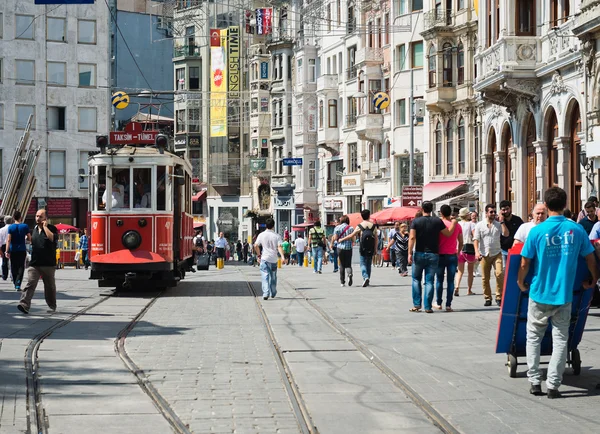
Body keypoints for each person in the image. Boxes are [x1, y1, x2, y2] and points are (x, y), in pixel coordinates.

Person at [518, 187, 598, 398]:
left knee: (533, 337)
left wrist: (520, 281)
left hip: (539, 293)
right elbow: (590, 258)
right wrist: (594, 278)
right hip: (563, 295)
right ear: (565, 204)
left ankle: (535, 381)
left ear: (546, 204)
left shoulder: (536, 231)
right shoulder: (576, 230)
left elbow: (525, 262)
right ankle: (554, 385)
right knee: (561, 338)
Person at [406, 202, 458, 313]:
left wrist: (409, 253)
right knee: (429, 281)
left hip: (419, 253)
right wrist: (453, 223)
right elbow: (448, 234)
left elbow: (411, 238)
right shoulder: (437, 221)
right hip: (434, 254)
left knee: (416, 279)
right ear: (432, 209)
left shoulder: (416, 221)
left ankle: (417, 304)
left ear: (422, 209)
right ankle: (428, 306)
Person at [17, 210, 59, 314]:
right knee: (30, 283)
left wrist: (45, 227)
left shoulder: (52, 228)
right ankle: (24, 304)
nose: (37, 218)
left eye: (40, 216)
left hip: (48, 264)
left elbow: (52, 239)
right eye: (36, 216)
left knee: (49, 286)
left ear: (46, 218)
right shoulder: (34, 229)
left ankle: (52, 305)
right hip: (35, 263)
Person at [474, 204, 509, 307]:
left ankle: (499, 296)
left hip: (497, 253)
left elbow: (506, 234)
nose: (493, 214)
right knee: (485, 278)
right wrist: (477, 252)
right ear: (486, 213)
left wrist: (502, 222)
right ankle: (487, 297)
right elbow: (476, 239)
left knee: (499, 274)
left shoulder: (498, 224)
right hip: (484, 254)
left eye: (494, 212)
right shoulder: (480, 225)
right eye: (491, 212)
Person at [434, 205, 463, 312]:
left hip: (440, 255)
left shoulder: (439, 224)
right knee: (450, 281)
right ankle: (448, 304)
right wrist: (458, 252)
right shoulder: (457, 225)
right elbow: (461, 242)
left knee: (439, 280)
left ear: (441, 213)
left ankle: (438, 302)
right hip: (452, 255)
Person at [339, 209, 378, 287]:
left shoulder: (360, 225)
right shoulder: (373, 226)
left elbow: (351, 235)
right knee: (368, 264)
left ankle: (365, 277)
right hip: (371, 247)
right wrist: (375, 249)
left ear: (362, 216)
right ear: (369, 216)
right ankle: (367, 279)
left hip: (363, 247)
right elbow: (376, 238)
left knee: (362, 263)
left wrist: (342, 239)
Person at [254, 218, 284, 300]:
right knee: (273, 277)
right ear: (273, 226)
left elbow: (255, 245)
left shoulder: (261, 235)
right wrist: (282, 256)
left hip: (264, 259)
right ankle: (273, 292)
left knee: (265, 276)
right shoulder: (277, 236)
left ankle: (266, 293)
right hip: (273, 259)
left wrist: (259, 255)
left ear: (266, 226)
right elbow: (279, 247)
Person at [6, 210, 31, 291]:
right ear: (20, 217)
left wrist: (7, 250)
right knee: (21, 267)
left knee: (13, 266)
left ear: (13, 218)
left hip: (13, 250)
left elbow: (9, 239)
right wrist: (29, 241)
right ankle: (18, 284)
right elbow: (29, 237)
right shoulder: (25, 226)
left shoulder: (11, 227)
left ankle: (15, 282)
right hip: (22, 250)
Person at [455, 208, 477, 296]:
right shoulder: (471, 224)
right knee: (470, 271)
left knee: (460, 270)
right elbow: (475, 235)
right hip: (469, 248)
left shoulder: (457, 224)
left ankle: (457, 286)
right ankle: (469, 289)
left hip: (459, 248)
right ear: (467, 215)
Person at [499, 200, 524, 267]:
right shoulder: (498, 222)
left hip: (516, 250)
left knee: (515, 269)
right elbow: (505, 234)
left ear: (510, 208)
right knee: (505, 272)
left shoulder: (517, 220)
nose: (506, 211)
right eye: (503, 210)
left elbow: (523, 233)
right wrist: (501, 222)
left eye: (507, 209)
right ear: (500, 211)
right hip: (503, 250)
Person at [333, 215, 354, 287]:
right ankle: (350, 273)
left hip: (340, 248)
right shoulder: (351, 228)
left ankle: (342, 282)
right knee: (348, 264)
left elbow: (335, 238)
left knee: (342, 264)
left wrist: (340, 239)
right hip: (349, 248)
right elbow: (353, 239)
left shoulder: (337, 228)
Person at [0, 216, 14, 281]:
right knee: (13, 261)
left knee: (4, 261)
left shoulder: (1, 230)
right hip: (12, 245)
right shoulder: (13, 228)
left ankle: (4, 275)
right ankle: (12, 275)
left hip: (3, 245)